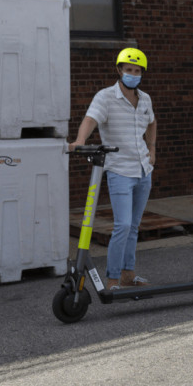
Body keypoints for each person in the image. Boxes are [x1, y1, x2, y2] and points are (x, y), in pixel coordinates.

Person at [69, 47, 157, 290]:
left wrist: (152, 149)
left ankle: (129, 275)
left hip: (143, 171)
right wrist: (79, 141)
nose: (132, 74)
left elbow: (152, 122)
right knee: (123, 225)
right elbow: (91, 119)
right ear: (119, 70)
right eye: (128, 69)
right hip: (119, 171)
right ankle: (113, 280)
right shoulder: (105, 97)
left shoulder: (145, 98)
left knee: (134, 226)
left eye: (137, 71)